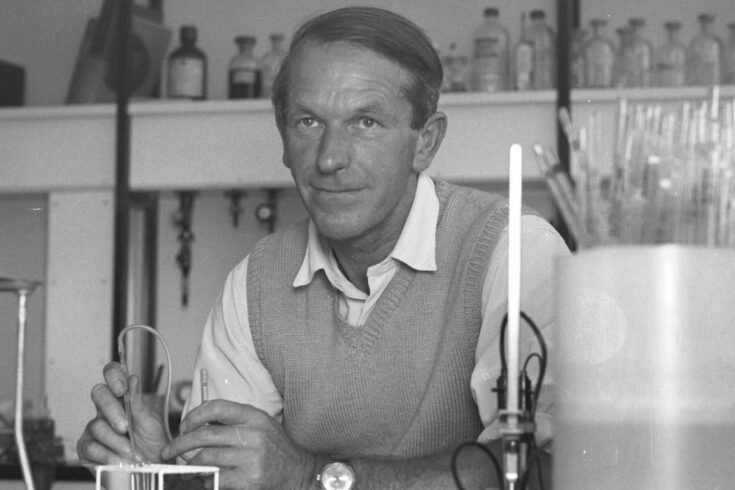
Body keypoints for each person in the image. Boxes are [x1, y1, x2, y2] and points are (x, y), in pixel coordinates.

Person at [77, 6, 569, 489]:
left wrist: (312, 477)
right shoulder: (254, 285)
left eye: (366, 122)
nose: (330, 158)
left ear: (426, 141)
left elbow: (544, 469)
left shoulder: (512, 251)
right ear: (284, 142)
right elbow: (232, 480)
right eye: (308, 122)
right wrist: (160, 469)